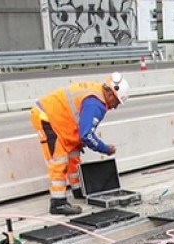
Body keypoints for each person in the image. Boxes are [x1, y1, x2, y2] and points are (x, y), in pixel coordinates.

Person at [29, 72, 127, 215]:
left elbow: (82, 127)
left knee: (74, 153)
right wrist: (105, 149)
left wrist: (80, 140)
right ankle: (58, 203)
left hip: (60, 120)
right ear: (111, 94)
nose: (115, 107)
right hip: (47, 118)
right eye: (117, 102)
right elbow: (87, 135)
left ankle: (78, 190)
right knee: (59, 160)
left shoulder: (97, 94)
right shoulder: (96, 104)